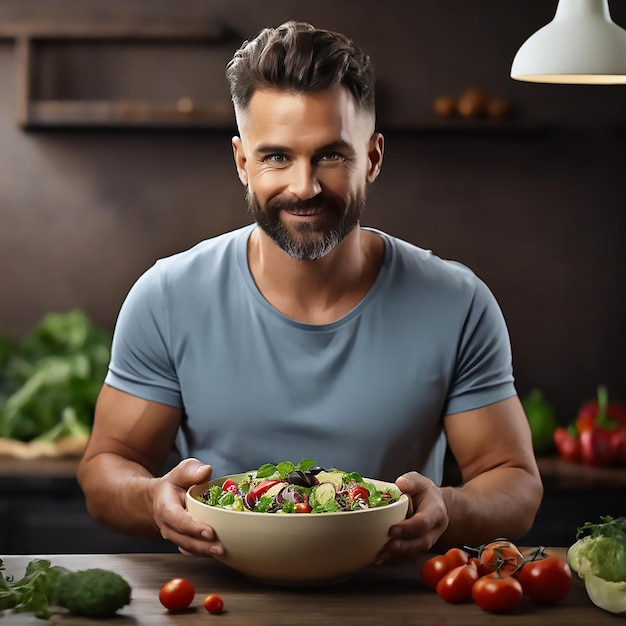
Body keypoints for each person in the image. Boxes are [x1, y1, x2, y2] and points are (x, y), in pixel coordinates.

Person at [77, 21, 542, 561]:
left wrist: (450, 510)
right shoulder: (166, 296)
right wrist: (152, 499)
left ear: (371, 157)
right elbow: (106, 468)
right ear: (242, 163)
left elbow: (514, 483)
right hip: (216, 604)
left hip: (394, 602)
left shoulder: (458, 303)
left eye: (331, 155)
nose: (304, 186)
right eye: (276, 156)